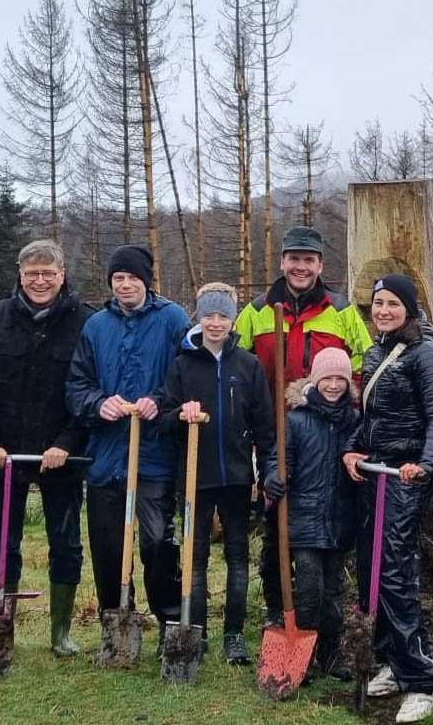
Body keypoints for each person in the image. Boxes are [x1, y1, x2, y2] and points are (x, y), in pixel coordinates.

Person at [0, 239, 95, 659]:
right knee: (3, 544)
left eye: (48, 273)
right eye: (32, 273)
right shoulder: (0, 316)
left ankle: (61, 633)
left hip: (61, 455)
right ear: (20, 275)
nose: (40, 281)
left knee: (67, 543)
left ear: (62, 276)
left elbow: (89, 388)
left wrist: (66, 443)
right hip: (5, 453)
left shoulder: (84, 321)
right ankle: (0, 631)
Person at [66, 244, 191, 652]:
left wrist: (161, 398)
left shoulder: (172, 318)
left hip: (154, 454)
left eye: (132, 278)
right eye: (118, 278)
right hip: (106, 457)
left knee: (158, 542)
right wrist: (99, 404)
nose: (125, 285)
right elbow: (77, 386)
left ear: (146, 281)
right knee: (106, 546)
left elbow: (188, 372)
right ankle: (116, 619)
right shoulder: (96, 326)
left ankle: (171, 620)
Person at [341, 274, 433, 723]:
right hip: (374, 474)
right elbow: (369, 417)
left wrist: (423, 466)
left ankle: (421, 680)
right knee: (370, 570)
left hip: (404, 477)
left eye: (392, 303)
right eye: (378, 304)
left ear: (410, 307)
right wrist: (352, 446)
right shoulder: (375, 351)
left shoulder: (425, 355)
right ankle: (390, 660)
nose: (383, 311)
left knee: (395, 573)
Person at [158, 282, 275, 665]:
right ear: (199, 318)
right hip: (194, 478)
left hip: (238, 478)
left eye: (222, 315)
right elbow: (162, 419)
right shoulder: (183, 364)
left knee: (238, 556)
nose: (215, 322)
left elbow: (264, 425)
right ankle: (197, 631)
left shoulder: (248, 364)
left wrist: (264, 471)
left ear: (232, 319)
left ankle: (234, 634)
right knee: (195, 557)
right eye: (208, 314)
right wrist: (180, 415)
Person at [261, 347, 360, 683]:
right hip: (302, 519)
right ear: (315, 381)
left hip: (339, 520)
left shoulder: (354, 421)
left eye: (340, 379)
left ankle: (330, 652)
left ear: (348, 383)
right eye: (327, 378)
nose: (333, 385)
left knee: (332, 591)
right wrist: (274, 478)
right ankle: (299, 652)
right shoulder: (296, 419)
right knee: (307, 588)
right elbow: (278, 459)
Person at [235, 225, 372, 391]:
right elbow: (233, 360)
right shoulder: (256, 311)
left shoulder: (342, 311)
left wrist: (350, 406)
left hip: (323, 415)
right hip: (268, 414)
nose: (301, 267)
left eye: (309, 260)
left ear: (319, 266)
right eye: (294, 258)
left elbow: (364, 363)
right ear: (282, 263)